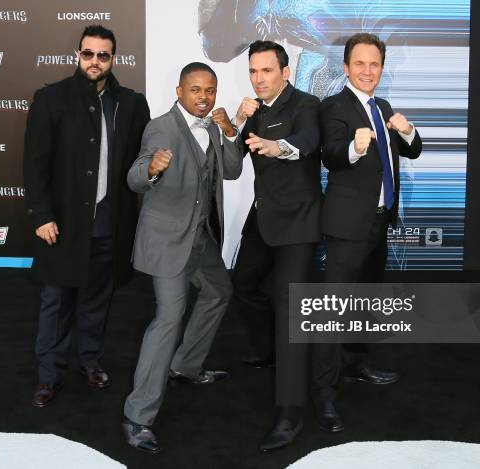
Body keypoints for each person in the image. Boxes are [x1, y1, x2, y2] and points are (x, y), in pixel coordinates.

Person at [23, 25, 150, 407]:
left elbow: (140, 162)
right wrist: (42, 215)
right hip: (61, 226)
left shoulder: (130, 103)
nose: (95, 61)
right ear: (78, 54)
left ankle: (90, 361)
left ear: (114, 58)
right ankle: (49, 375)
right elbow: (35, 163)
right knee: (56, 302)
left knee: (97, 301)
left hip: (111, 224)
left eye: (103, 55)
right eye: (88, 54)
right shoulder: (51, 99)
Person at [121, 62, 243, 454]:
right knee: (168, 319)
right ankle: (137, 417)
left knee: (219, 292)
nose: (203, 97)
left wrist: (229, 132)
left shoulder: (213, 126)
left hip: (202, 238)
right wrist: (153, 170)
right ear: (179, 91)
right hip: (169, 240)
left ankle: (186, 365)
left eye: (210, 90)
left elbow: (232, 170)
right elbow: (135, 175)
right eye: (195, 90)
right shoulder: (161, 127)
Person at [231, 40, 328, 451]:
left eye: (266, 71)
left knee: (290, 310)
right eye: (254, 71)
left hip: (299, 223)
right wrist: (236, 123)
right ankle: (270, 349)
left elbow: (308, 142)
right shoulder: (254, 109)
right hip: (263, 216)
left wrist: (278, 147)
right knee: (243, 284)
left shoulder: (306, 104)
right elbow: (234, 160)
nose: (259, 78)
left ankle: (290, 413)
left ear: (285, 72)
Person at [318, 32, 423, 397]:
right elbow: (330, 154)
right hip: (347, 224)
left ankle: (356, 364)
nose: (367, 70)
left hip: (379, 221)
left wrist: (407, 130)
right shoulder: (333, 106)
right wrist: (354, 146)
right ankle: (324, 391)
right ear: (346, 67)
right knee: (335, 306)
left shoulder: (383, 106)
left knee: (366, 299)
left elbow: (414, 151)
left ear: (382, 68)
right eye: (359, 63)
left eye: (374, 64)